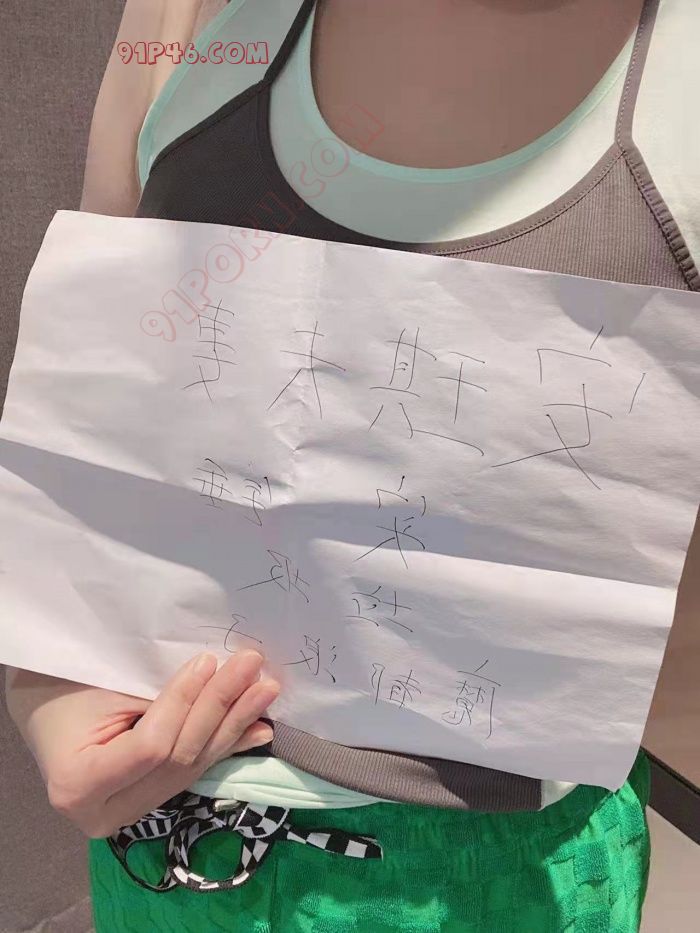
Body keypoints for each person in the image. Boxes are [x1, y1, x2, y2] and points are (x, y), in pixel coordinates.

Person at [6, 0, 700, 929]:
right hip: (166, 838)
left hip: (499, 873)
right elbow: (95, 389)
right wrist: (48, 695)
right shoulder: (187, 10)